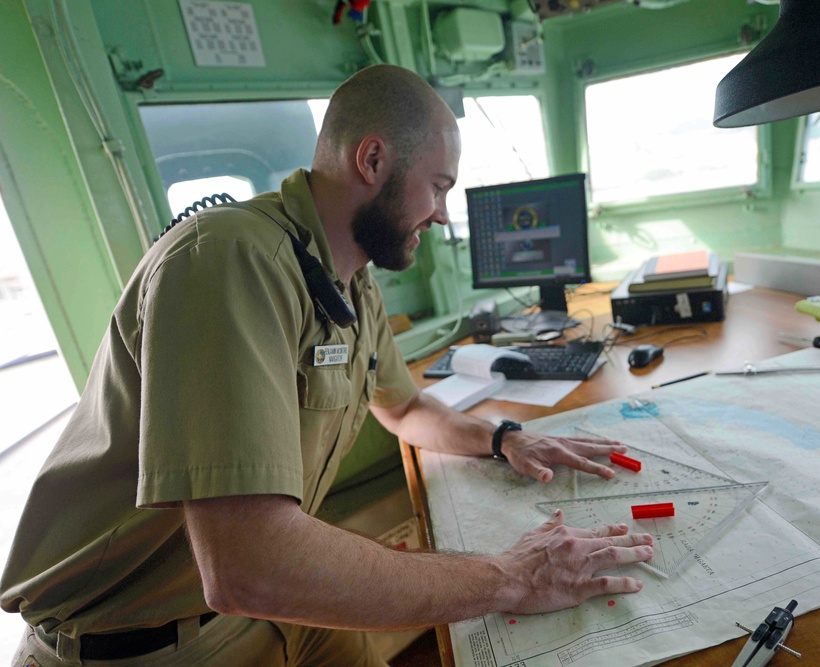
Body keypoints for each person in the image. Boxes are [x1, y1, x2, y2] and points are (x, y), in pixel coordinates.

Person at [1, 64, 653, 667]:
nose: (442, 212)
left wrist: (505, 438)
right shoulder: (228, 261)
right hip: (134, 642)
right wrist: (508, 576)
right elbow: (246, 564)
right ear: (373, 159)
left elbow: (401, 406)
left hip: (264, 608)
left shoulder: (350, 277)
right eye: (438, 186)